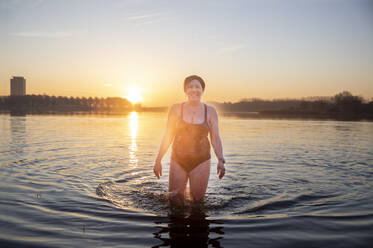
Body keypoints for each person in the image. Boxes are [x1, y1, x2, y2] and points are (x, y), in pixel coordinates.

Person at [153, 75, 226, 204]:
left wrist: (220, 159)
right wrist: (158, 159)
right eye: (190, 87)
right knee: (175, 201)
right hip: (178, 159)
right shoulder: (176, 109)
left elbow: (215, 138)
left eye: (197, 87)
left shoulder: (210, 111)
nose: (194, 90)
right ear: (185, 90)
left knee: (198, 203)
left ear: (202, 90)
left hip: (201, 160)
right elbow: (168, 136)